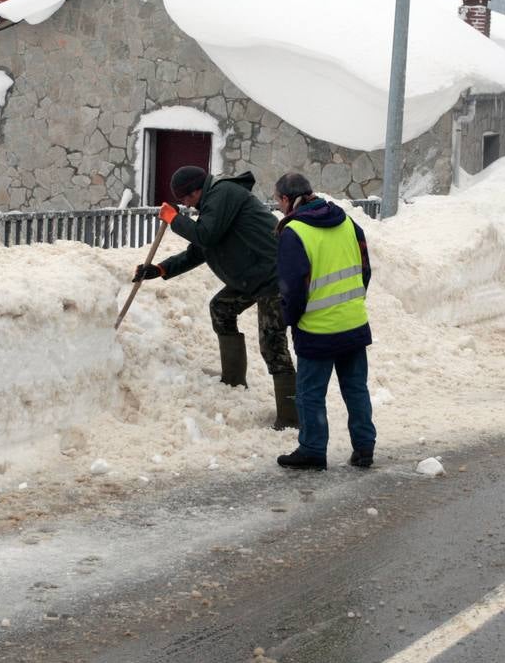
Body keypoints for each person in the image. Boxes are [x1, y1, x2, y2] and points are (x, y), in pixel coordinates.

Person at [132, 166, 297, 429]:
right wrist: (161, 269)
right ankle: (233, 381)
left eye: (185, 198)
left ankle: (291, 418)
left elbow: (205, 235)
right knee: (221, 309)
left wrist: (175, 219)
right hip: (251, 276)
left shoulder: (223, 193)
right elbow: (199, 250)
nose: (185, 204)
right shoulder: (213, 206)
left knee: (272, 344)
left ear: (197, 189)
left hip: (273, 275)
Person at [272, 173, 376, 471]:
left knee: (310, 394)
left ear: (286, 199)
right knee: (356, 389)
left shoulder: (294, 233)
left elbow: (292, 287)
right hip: (354, 323)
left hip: (317, 330)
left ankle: (313, 450)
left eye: (278, 200)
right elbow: (365, 269)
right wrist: (353, 302)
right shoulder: (347, 223)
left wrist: (290, 319)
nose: (278, 208)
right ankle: (365, 448)